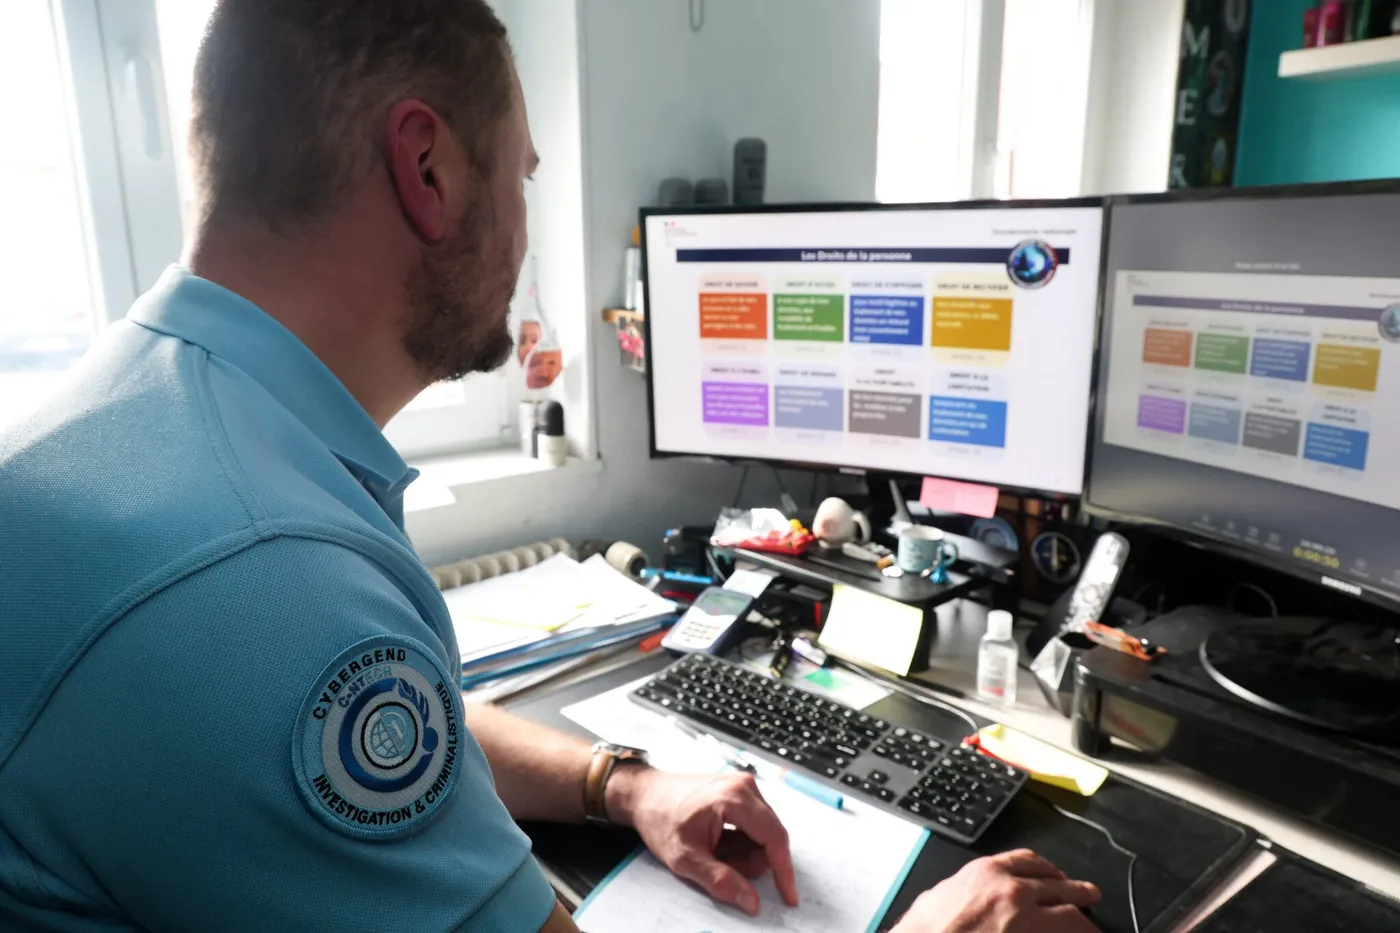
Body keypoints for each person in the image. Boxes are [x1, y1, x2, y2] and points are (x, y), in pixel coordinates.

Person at [0, 2, 1102, 931]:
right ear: (427, 167)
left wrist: (621, 783)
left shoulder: (150, 416)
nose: (523, 228)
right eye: (521, 175)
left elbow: (404, 727)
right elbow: (302, 675)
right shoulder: (263, 575)